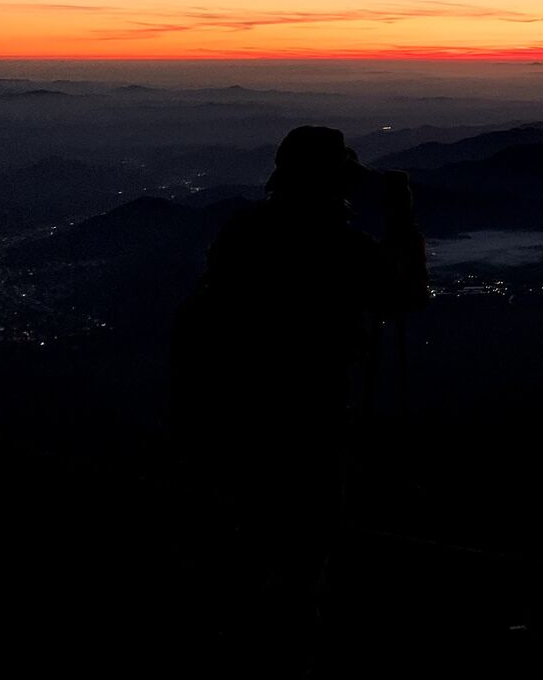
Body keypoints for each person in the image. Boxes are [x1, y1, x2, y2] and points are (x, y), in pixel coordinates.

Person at [170, 125, 429, 666]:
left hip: (233, 418)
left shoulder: (243, 233)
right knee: (302, 556)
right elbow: (407, 293)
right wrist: (403, 219)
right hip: (310, 423)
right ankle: (288, 657)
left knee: (241, 545)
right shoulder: (341, 246)